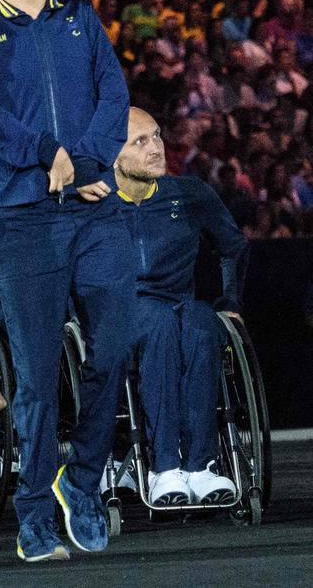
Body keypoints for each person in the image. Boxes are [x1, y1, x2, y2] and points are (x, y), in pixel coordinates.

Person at [0, 0, 132, 563]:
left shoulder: (82, 19)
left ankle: (81, 480)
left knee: (114, 347)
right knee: (34, 377)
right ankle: (34, 514)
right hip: (23, 217)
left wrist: (83, 163)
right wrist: (49, 158)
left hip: (94, 209)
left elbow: (114, 98)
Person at [112, 107, 248, 507]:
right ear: (113, 153)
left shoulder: (188, 194)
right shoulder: (94, 200)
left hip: (179, 307)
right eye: (141, 141)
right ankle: (164, 468)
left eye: (157, 136)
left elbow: (233, 246)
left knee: (203, 323)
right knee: (157, 323)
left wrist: (231, 301)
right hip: (122, 315)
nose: (156, 148)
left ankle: (202, 466)